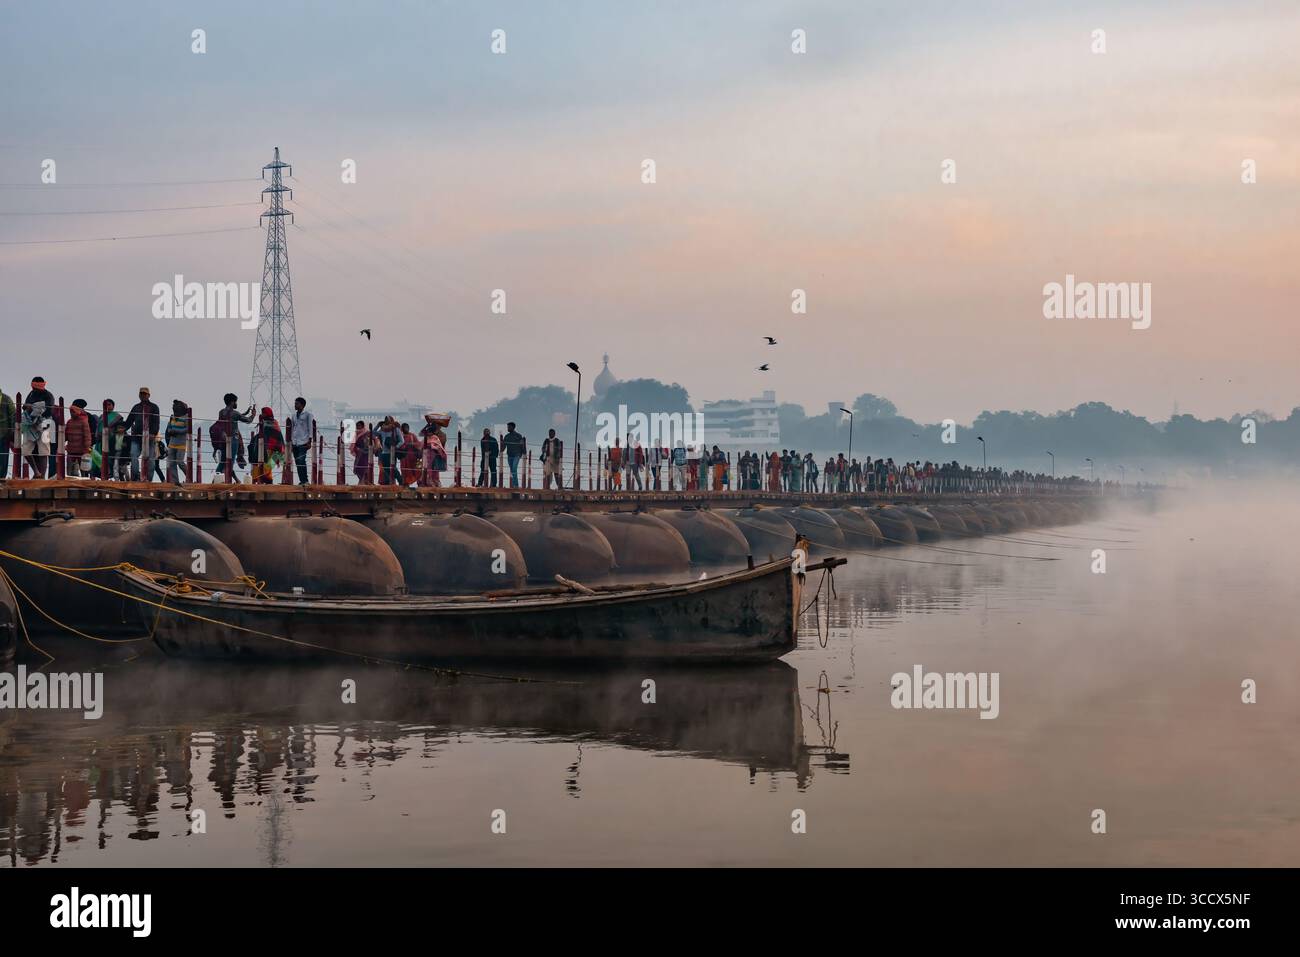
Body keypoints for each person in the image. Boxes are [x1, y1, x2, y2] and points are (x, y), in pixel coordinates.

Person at [211, 394, 253, 481]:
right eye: (235, 401)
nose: (236, 403)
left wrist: (246, 412)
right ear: (232, 402)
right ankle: (227, 481)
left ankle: (215, 480)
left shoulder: (221, 412)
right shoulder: (235, 413)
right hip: (233, 440)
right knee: (230, 461)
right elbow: (248, 420)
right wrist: (253, 414)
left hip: (223, 440)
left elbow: (232, 416)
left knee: (222, 462)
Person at [123, 386, 160, 482]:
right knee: (133, 455)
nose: (143, 395)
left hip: (149, 438)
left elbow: (156, 422)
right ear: (139, 395)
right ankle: (135, 478)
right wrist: (121, 428)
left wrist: (153, 434)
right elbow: (129, 421)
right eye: (141, 394)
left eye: (145, 394)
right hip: (136, 437)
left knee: (151, 461)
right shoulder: (136, 407)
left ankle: (148, 480)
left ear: (149, 395)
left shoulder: (154, 407)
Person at [248, 408, 285, 484]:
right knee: (262, 466)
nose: (262, 414)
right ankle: (264, 482)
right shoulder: (263, 422)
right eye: (262, 413)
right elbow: (263, 434)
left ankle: (268, 482)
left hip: (276, 449)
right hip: (265, 447)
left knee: (268, 466)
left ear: (268, 414)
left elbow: (277, 435)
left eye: (264, 413)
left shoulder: (274, 423)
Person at [288, 397, 315, 485]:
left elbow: (310, 428)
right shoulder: (294, 416)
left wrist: (310, 441)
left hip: (304, 442)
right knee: (297, 462)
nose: (295, 405)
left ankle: (305, 480)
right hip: (295, 442)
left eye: (297, 403)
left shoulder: (308, 415)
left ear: (302, 405)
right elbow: (293, 429)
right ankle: (302, 481)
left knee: (301, 461)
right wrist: (291, 442)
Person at [62, 401, 93, 477]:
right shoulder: (69, 422)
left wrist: (87, 448)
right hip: (71, 450)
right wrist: (61, 443)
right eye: (70, 412)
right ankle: (69, 484)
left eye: (73, 412)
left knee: (84, 469)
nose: (71, 414)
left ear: (77, 412)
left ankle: (85, 483)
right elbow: (65, 435)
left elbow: (87, 436)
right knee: (69, 469)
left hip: (82, 450)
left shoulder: (84, 422)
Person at [163, 400, 189, 485]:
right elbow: (169, 428)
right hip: (172, 443)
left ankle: (189, 477)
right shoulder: (172, 417)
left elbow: (187, 429)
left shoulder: (186, 418)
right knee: (171, 463)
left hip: (181, 444)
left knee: (180, 462)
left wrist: (176, 431)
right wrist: (170, 431)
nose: (175, 410)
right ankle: (176, 482)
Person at [502, 422, 526, 488]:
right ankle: (514, 484)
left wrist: (522, 454)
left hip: (517, 455)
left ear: (513, 427)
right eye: (507, 427)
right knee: (512, 470)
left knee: (514, 468)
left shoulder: (518, 436)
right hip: (509, 455)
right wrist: (501, 442)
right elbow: (503, 448)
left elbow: (522, 445)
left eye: (509, 427)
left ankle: (516, 485)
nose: (508, 428)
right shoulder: (506, 436)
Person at [0, 387, 14, 480]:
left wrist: (11, 434)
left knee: (3, 458)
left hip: (4, 435)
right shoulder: (7, 399)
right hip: (5, 434)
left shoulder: (7, 399)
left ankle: (1, 478)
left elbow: (13, 416)